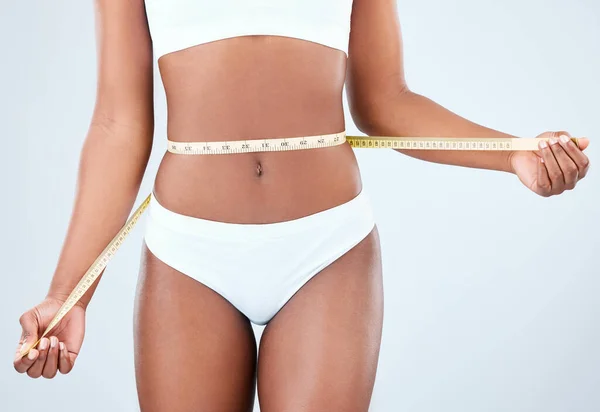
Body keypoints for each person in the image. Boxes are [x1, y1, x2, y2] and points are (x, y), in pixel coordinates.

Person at [13, 0, 590, 411]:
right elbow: (119, 125)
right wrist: (69, 294)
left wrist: (510, 153)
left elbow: (385, 101)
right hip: (189, 253)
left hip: (327, 249)